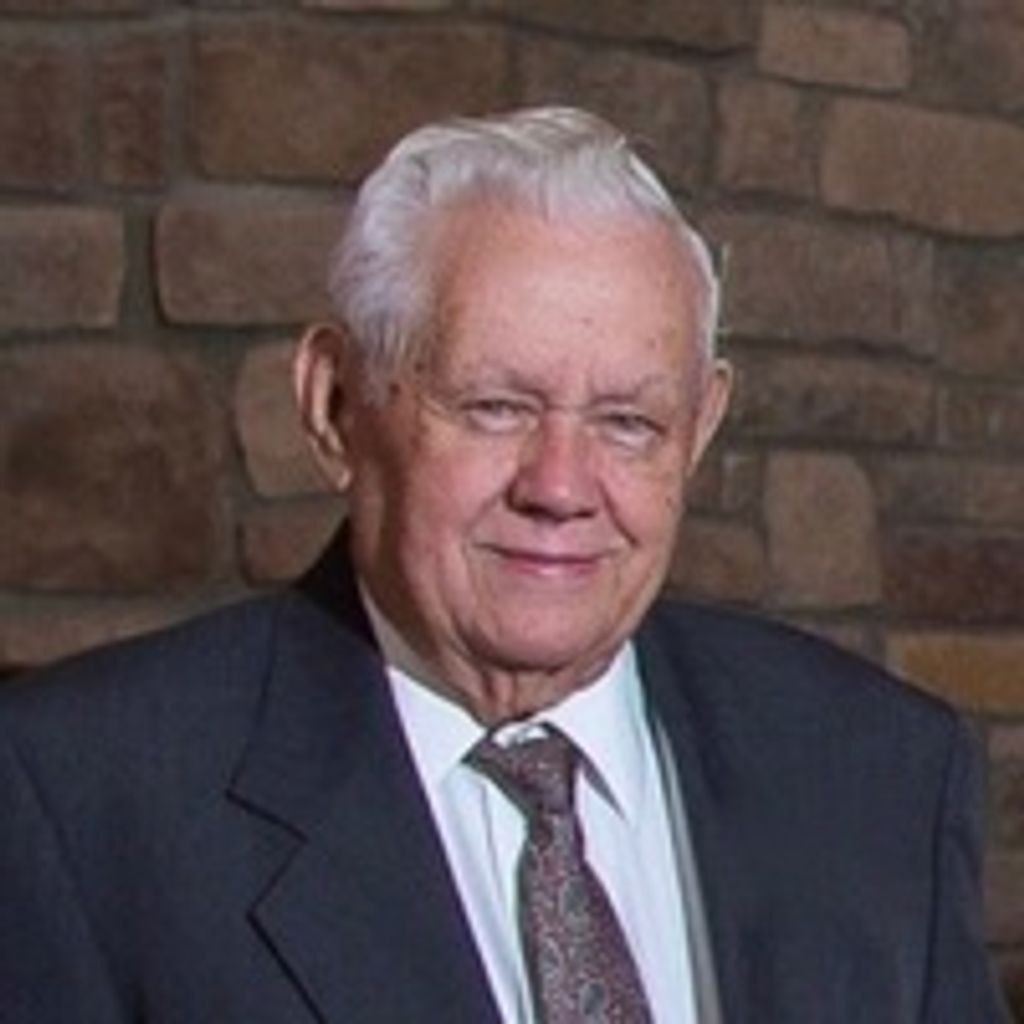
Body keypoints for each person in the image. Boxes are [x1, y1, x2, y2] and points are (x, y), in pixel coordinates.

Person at [0, 107, 1008, 1023]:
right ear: (334, 404)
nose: (560, 487)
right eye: (494, 407)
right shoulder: (80, 796)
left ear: (700, 428)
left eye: (627, 421)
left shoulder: (880, 771)